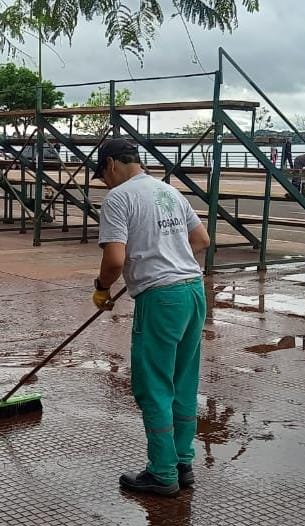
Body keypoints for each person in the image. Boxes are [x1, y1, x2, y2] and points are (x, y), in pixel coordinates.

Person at [91, 139, 211, 496]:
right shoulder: (169, 192)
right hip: (193, 290)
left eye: (103, 175)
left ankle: (162, 473)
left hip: (162, 300)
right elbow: (201, 240)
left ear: (111, 164)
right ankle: (182, 461)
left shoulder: (118, 198)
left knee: (155, 386)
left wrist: (102, 287)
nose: (105, 183)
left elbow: (114, 260)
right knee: (183, 380)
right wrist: (164, 260)